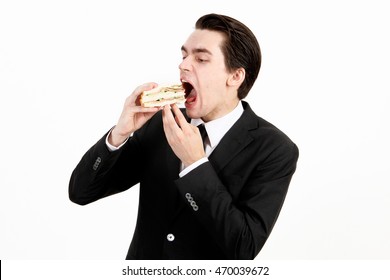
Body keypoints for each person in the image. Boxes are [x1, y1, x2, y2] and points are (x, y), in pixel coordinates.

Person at [69, 13, 299, 260]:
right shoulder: (160, 123)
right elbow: (81, 192)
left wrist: (196, 165)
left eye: (200, 59)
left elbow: (243, 247)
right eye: (184, 56)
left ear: (235, 77)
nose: (183, 65)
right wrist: (119, 133)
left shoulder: (275, 149)